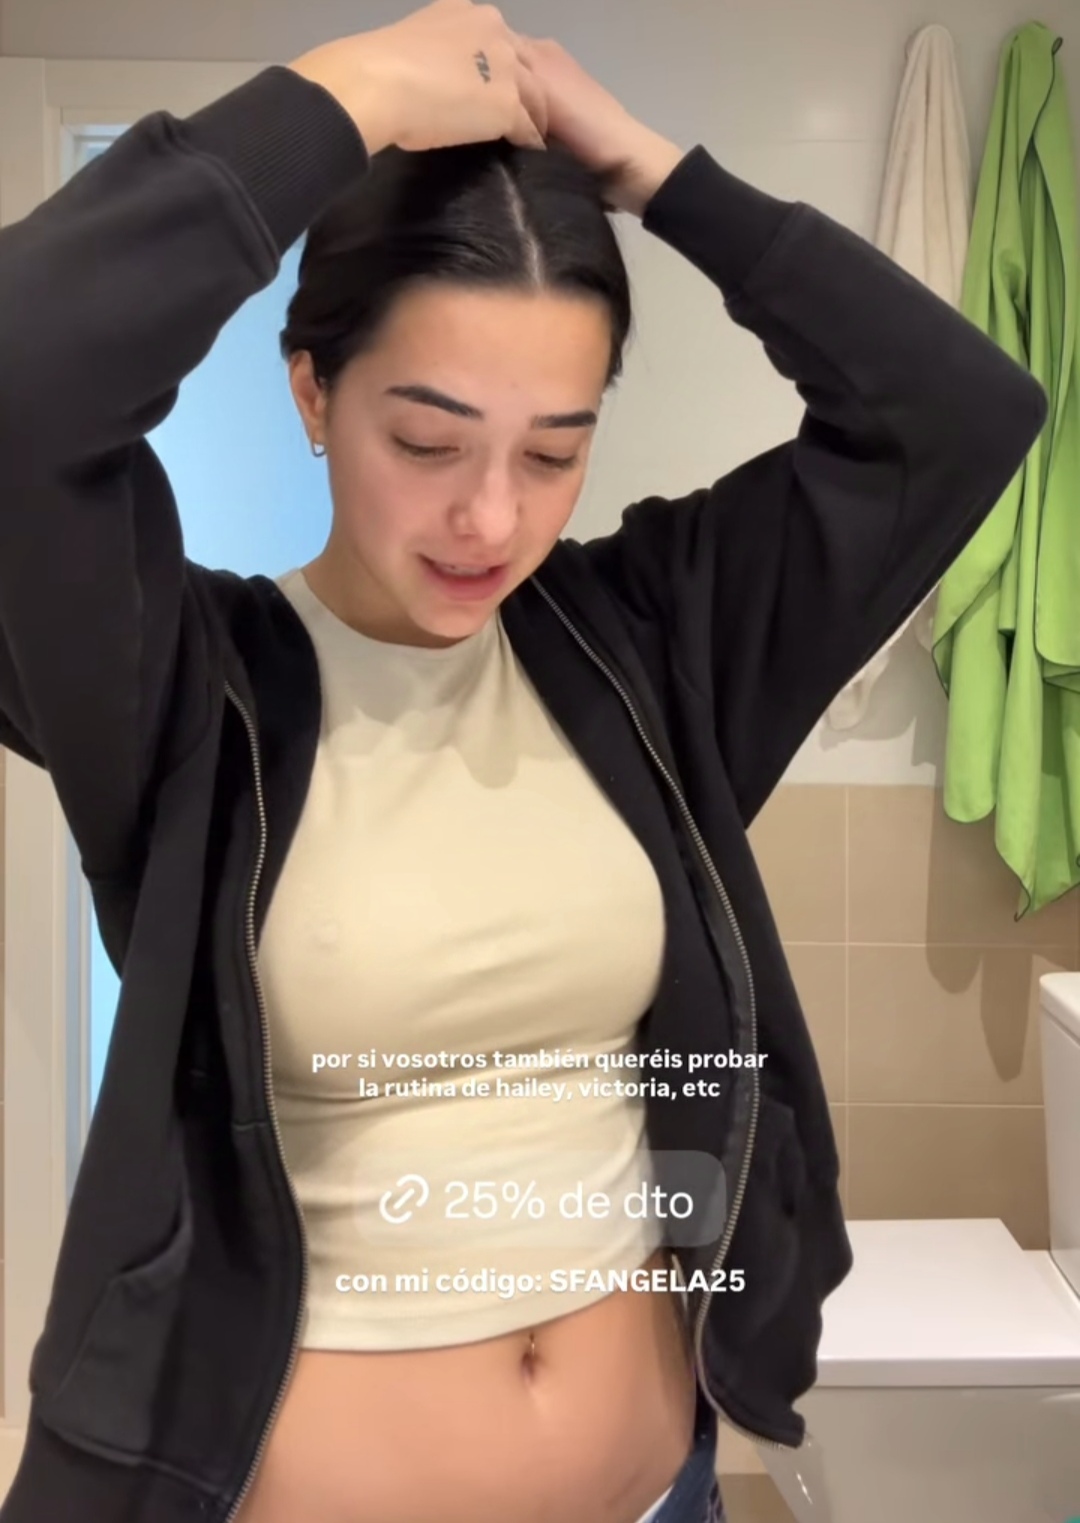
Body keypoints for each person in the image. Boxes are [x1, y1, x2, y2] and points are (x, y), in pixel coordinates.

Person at [0, 2, 1048, 1522]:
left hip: (654, 1493)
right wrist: (348, 96)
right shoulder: (182, 690)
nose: (492, 520)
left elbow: (960, 411)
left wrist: (656, 176)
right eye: (428, 442)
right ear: (312, 391)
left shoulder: (648, 649)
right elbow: (21, 382)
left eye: (555, 452)